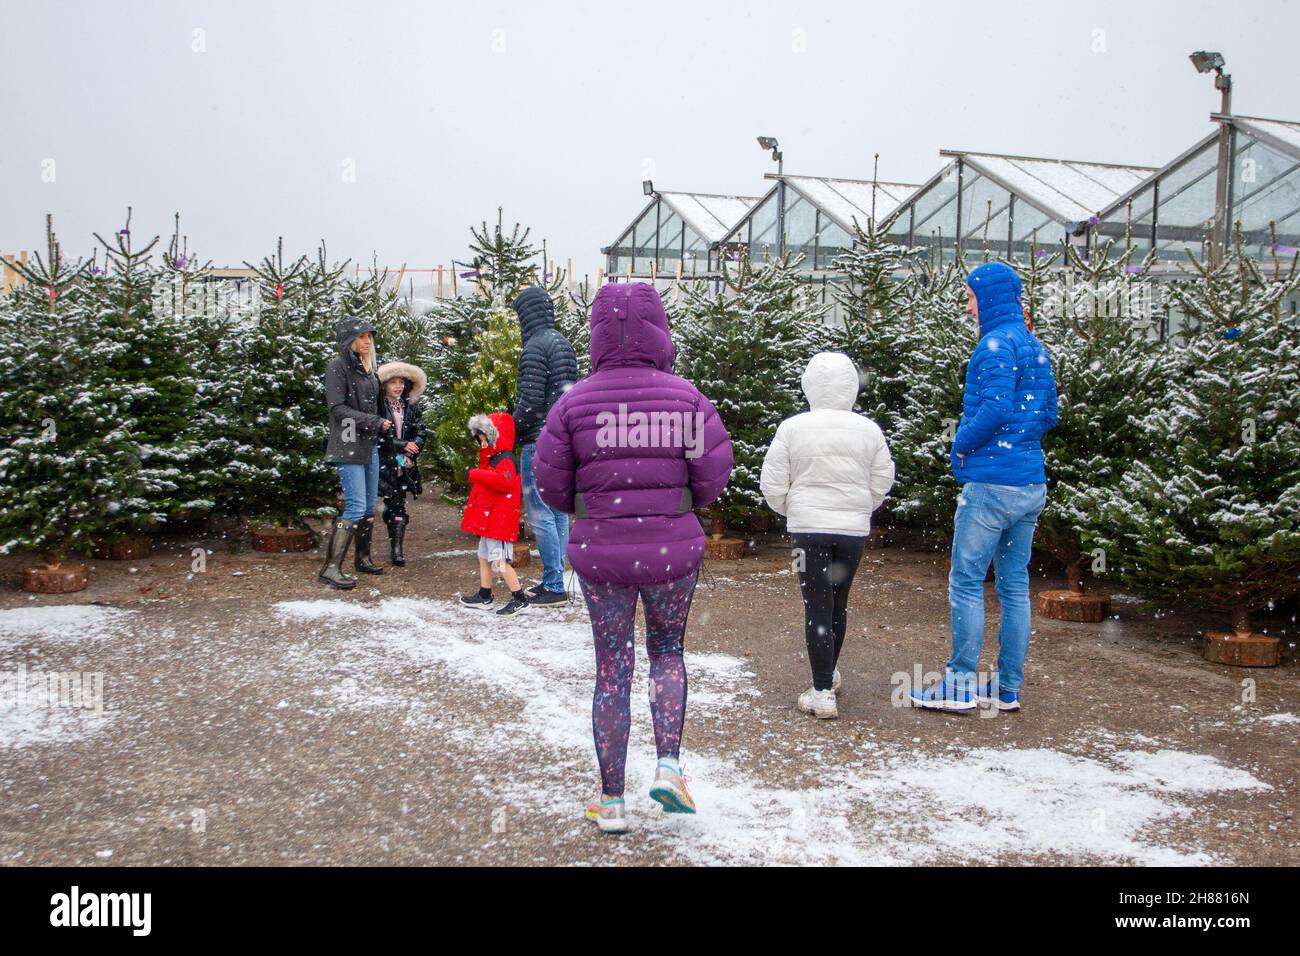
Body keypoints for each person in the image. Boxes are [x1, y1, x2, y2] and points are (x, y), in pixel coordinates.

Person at [534, 282, 733, 834]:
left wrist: (593, 503)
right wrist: (676, 500)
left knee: (611, 669)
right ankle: (668, 765)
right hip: (672, 549)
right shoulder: (686, 397)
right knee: (668, 652)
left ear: (596, 333)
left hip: (602, 553)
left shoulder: (572, 403)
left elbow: (550, 486)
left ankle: (611, 800)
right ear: (659, 329)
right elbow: (714, 477)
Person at [910, 261, 1058, 713]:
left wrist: (960, 445)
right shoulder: (1034, 347)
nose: (968, 305)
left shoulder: (993, 347)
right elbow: (1049, 413)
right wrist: (1022, 441)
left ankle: (958, 685)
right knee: (1014, 586)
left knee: (967, 581)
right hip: (1030, 482)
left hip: (991, 485)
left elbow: (994, 409)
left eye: (971, 296)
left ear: (990, 297)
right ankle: (1007, 688)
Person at [759, 352, 895, 720]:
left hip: (806, 532)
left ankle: (821, 691)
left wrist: (792, 509)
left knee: (815, 603)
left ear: (809, 385)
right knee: (838, 600)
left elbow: (772, 481)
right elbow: (883, 478)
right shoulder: (868, 430)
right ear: (851, 386)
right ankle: (828, 675)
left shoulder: (792, 427)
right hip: (852, 533)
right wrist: (861, 506)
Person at [511, 287, 579, 607]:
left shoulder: (534, 348)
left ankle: (553, 583)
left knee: (540, 513)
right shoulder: (564, 345)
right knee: (557, 512)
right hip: (562, 439)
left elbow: (530, 402)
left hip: (537, 441)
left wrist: (512, 429)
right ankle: (557, 578)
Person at [321, 316, 392, 589]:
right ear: (349, 340)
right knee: (354, 505)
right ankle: (330, 568)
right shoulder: (337, 368)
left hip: (369, 443)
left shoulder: (368, 369)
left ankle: (362, 558)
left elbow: (375, 406)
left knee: (369, 505)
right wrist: (374, 422)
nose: (367, 341)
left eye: (369, 337)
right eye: (361, 337)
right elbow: (337, 409)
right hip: (348, 442)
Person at [458, 412, 529, 617]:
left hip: (499, 522)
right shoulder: (492, 458)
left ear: (495, 436)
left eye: (483, 436)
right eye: (479, 437)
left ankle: (520, 599)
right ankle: (485, 594)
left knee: (500, 563)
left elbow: (503, 481)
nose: (480, 441)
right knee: (483, 557)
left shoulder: (505, 459)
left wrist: (474, 474)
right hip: (491, 521)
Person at [376, 361, 428, 567]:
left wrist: (413, 448)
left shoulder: (411, 407)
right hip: (385, 462)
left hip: (404, 463)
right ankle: (366, 551)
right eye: (393, 382)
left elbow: (421, 430)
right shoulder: (379, 407)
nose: (397, 386)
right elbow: (379, 435)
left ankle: (397, 549)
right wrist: (401, 445)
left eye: (401, 382)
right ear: (384, 385)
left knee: (399, 503)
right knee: (388, 502)